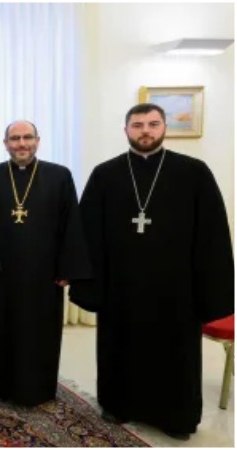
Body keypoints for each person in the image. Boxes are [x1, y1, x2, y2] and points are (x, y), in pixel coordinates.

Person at [70, 103, 234, 440]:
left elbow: (212, 234)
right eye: (138, 125)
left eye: (153, 124)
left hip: (176, 289)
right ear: (126, 130)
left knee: (175, 354)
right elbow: (87, 232)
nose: (145, 130)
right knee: (120, 347)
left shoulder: (193, 172)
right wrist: (87, 281)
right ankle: (118, 404)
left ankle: (176, 417)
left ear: (164, 128)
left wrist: (212, 289)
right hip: (122, 286)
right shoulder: (105, 174)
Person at [0, 120, 91, 406]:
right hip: (0, 272)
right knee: (0, 327)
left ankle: (37, 388)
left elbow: (71, 224)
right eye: (15, 138)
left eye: (27, 137)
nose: (22, 144)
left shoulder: (59, 176)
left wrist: (67, 269)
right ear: (5, 143)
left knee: (39, 331)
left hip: (44, 273)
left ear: (38, 141)